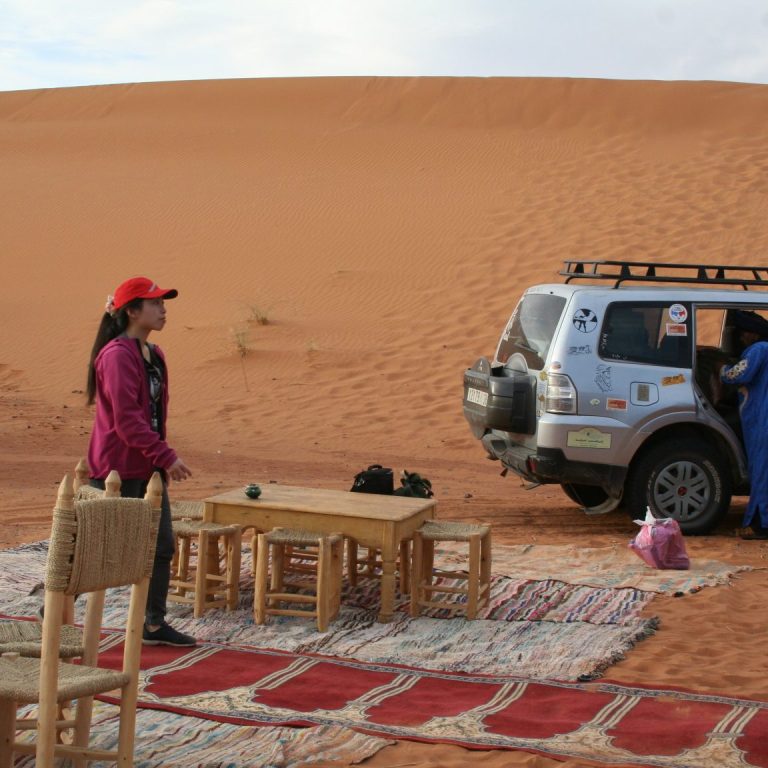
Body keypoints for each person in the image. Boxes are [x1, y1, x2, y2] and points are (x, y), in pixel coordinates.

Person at [86, 276, 196, 645]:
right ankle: (54, 604)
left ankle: (153, 624)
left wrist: (158, 458)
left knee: (161, 546)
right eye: (155, 303)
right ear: (132, 311)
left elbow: (151, 416)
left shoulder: (155, 354)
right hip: (116, 467)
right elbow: (127, 421)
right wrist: (167, 456)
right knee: (100, 548)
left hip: (148, 466)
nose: (163, 309)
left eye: (164, 302)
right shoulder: (117, 356)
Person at [720, 310, 768, 540]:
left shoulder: (760, 350)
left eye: (741, 333)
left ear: (751, 334)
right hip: (760, 419)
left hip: (763, 421)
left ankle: (762, 525)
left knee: (762, 472)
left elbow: (737, 375)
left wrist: (720, 370)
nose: (739, 338)